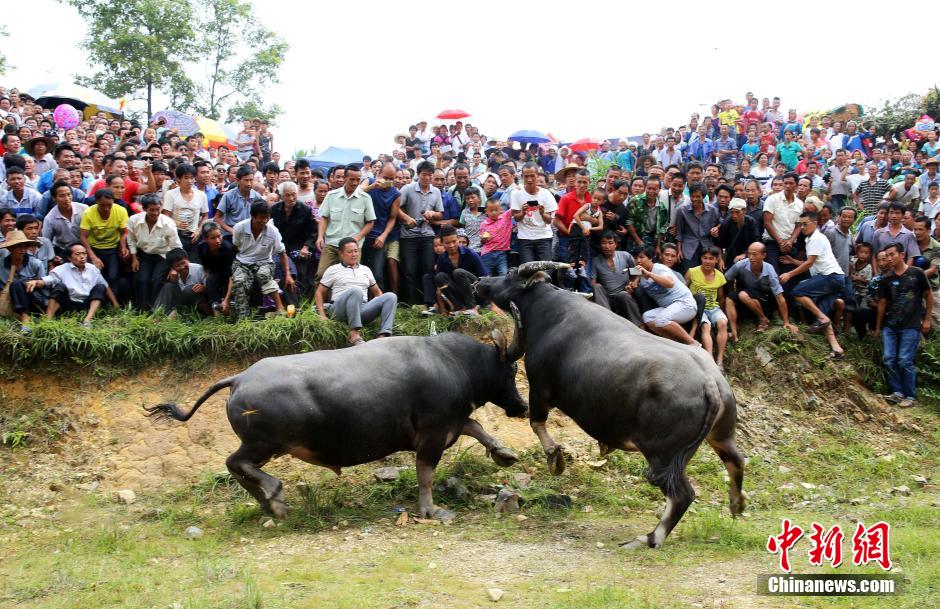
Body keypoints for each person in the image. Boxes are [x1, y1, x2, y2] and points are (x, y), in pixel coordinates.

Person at [876, 242, 933, 409]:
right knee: (888, 359)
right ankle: (897, 392)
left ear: (902, 255)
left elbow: (928, 296)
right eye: (887, 255)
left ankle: (910, 395)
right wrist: (879, 327)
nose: (890, 258)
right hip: (891, 324)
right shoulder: (886, 279)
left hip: (911, 324)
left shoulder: (916, 273)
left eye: (893, 254)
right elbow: (882, 304)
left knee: (904, 360)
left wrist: (927, 319)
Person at [781, 211, 846, 358]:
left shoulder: (816, 238)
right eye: (800, 224)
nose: (802, 227)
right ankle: (837, 349)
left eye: (805, 224)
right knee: (822, 317)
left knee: (797, 292)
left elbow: (809, 263)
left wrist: (789, 274)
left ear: (815, 224)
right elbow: (811, 263)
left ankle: (822, 319)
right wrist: (793, 262)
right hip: (836, 279)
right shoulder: (811, 239)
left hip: (830, 277)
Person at [316, 237, 397, 346]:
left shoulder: (366, 270)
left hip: (362, 310)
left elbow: (378, 293)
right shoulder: (333, 269)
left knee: (391, 296)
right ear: (341, 254)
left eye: (356, 251)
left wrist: (381, 309)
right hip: (339, 310)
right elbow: (319, 292)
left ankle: (384, 334)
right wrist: (322, 315)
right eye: (350, 252)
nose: (354, 254)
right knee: (356, 290)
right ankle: (353, 333)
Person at [24, 242, 119, 326]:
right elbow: (49, 280)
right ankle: (47, 321)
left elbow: (105, 286)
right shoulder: (61, 269)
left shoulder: (93, 269)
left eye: (84, 254)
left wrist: (115, 303)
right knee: (59, 287)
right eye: (78, 254)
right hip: (68, 303)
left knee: (100, 287)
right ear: (69, 257)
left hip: (87, 304)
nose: (82, 257)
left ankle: (87, 321)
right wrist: (36, 282)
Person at [231, 200, 294, 319]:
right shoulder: (239, 227)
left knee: (263, 274)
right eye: (261, 217)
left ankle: (280, 308)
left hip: (264, 262)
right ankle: (243, 318)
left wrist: (288, 274)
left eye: (267, 217)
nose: (264, 220)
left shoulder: (272, 231)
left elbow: (281, 252)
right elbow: (236, 246)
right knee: (239, 281)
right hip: (242, 262)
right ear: (253, 216)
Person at [723, 242, 798, 338]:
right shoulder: (741, 264)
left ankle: (763, 319)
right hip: (747, 296)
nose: (751, 257)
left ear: (764, 255)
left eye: (754, 254)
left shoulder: (769, 270)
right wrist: (730, 292)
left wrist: (786, 322)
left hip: (765, 300)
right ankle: (734, 331)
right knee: (730, 298)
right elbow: (727, 278)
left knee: (743, 294)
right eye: (749, 254)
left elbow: (779, 297)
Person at [631, 246, 698, 345]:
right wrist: (632, 285)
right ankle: (674, 343)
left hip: (685, 304)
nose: (638, 260)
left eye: (641, 257)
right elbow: (634, 279)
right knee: (648, 317)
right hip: (669, 308)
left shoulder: (659, 268)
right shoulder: (640, 273)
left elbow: (670, 283)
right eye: (636, 258)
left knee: (661, 320)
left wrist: (649, 274)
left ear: (650, 258)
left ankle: (692, 343)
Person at [127, 193, 182, 310]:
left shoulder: (168, 223)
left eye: (158, 209)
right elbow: (131, 239)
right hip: (144, 254)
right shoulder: (133, 220)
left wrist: (174, 268)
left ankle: (155, 308)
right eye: (152, 210)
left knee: (156, 280)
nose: (156, 213)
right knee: (142, 280)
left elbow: (176, 247)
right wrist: (134, 258)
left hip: (164, 256)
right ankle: (142, 309)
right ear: (144, 209)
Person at [423, 225, 486, 316]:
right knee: (439, 277)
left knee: (458, 272)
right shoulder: (442, 258)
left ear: (458, 239)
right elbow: (439, 288)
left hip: (475, 292)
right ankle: (459, 307)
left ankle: (472, 308)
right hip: (459, 293)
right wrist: (442, 308)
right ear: (442, 243)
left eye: (454, 241)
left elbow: (484, 278)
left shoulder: (470, 254)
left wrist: (493, 303)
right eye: (447, 243)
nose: (451, 245)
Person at [270, 181, 316, 298]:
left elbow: (313, 232)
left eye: (293, 194)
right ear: (281, 196)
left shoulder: (305, 209)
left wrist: (306, 247)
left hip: (299, 246)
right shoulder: (274, 209)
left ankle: (301, 299)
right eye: (287, 195)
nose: (291, 198)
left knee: (301, 271)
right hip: (279, 246)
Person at [359, 162, 401, 291]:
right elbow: (356, 193)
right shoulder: (368, 181)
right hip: (360, 235)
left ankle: (380, 304)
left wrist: (383, 236)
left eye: (391, 179)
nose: (388, 181)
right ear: (378, 174)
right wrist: (372, 186)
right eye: (385, 177)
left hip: (378, 237)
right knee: (358, 272)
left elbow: (392, 218)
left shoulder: (396, 194)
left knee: (377, 274)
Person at [686, 246, 729, 369]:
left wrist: (723, 312)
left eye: (711, 258)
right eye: (705, 258)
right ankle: (709, 359)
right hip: (698, 308)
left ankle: (720, 360)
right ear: (701, 258)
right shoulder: (692, 271)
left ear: (716, 260)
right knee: (706, 326)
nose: (707, 261)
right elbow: (683, 290)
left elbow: (721, 297)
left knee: (722, 322)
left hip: (713, 307)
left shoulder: (720, 276)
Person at [79, 188, 129, 292]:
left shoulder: (121, 211)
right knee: (94, 276)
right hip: (94, 248)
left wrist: (123, 246)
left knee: (113, 276)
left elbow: (124, 231)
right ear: (96, 202)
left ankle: (113, 303)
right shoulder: (88, 213)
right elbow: (83, 236)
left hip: (112, 248)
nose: (106, 209)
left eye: (109, 205)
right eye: (102, 205)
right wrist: (93, 257)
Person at [591, 231, 642, 326]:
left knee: (623, 295)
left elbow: (637, 272)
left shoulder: (625, 256)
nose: (607, 246)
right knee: (596, 286)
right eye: (604, 243)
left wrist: (633, 283)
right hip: (606, 299)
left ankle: (640, 326)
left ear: (616, 244)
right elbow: (593, 282)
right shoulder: (596, 261)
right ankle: (606, 320)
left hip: (623, 294)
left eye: (610, 243)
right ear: (600, 245)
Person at [0, 230, 47, 331]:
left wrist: (31, 283)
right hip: (10, 302)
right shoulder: (1, 265)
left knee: (17, 284)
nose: (22, 250)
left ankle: (26, 319)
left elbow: (43, 287)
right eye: (18, 247)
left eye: (25, 247)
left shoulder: (36, 264)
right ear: (10, 248)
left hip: (34, 300)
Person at [510, 162, 557, 263]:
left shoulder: (546, 194)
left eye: (532, 176)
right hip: (525, 238)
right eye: (526, 176)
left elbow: (549, 221)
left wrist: (542, 213)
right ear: (522, 177)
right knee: (528, 271)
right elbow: (516, 218)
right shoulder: (516, 193)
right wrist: (522, 212)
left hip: (544, 237)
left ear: (537, 175)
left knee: (546, 270)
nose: (529, 179)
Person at [163, 164, 209, 262]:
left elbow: (205, 215)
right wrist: (176, 223)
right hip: (176, 234)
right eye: (186, 178)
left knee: (194, 264)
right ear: (179, 179)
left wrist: (198, 230)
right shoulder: (170, 194)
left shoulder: (201, 195)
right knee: (178, 263)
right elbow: (165, 216)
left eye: (192, 178)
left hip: (193, 236)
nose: (190, 181)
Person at [762, 172, 803, 275]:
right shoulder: (772, 199)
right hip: (772, 242)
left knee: (788, 276)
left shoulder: (799, 204)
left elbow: (798, 225)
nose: (788, 186)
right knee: (773, 274)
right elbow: (767, 222)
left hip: (790, 245)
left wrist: (790, 241)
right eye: (786, 183)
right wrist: (780, 241)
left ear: (796, 185)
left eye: (791, 183)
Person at [674, 182, 721, 273]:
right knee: (688, 274)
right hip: (688, 249)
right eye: (692, 196)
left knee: (705, 274)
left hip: (707, 247)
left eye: (698, 196)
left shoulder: (713, 210)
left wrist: (717, 228)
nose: (694, 199)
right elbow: (679, 233)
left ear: (703, 197)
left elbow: (721, 223)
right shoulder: (682, 211)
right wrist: (679, 250)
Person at [153, 247, 212, 317]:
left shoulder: (199, 269)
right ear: (172, 267)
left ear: (188, 259)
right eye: (177, 265)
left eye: (183, 263)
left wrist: (204, 288)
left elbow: (212, 289)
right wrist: (174, 282)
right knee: (168, 286)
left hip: (201, 303)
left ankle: (211, 315)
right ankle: (157, 315)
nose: (182, 267)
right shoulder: (173, 275)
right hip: (185, 305)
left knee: (189, 290)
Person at [196, 221, 236, 314]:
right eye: (213, 238)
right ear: (205, 239)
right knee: (210, 279)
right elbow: (206, 269)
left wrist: (226, 299)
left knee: (228, 299)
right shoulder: (201, 248)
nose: (218, 240)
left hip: (230, 276)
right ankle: (215, 309)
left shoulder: (228, 249)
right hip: (215, 274)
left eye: (219, 236)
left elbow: (232, 277)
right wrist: (204, 284)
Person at [214, 165, 264, 238]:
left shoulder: (257, 196)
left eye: (251, 180)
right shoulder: (229, 196)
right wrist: (232, 231)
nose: (249, 183)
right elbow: (217, 218)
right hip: (230, 235)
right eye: (246, 180)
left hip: (249, 235)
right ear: (238, 180)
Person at [912, 215, 940, 326]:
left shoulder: (937, 247)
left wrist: (912, 277)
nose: (917, 232)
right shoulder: (911, 242)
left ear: (928, 230)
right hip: (913, 287)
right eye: (915, 229)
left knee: (936, 323)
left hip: (931, 286)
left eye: (920, 229)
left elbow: (933, 270)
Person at [479, 197, 512, 277]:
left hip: (501, 253)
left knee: (504, 274)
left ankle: (502, 289)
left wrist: (518, 189)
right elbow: (482, 242)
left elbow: (514, 208)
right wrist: (484, 240)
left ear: (500, 209)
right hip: (487, 253)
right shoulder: (483, 224)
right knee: (486, 276)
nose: (494, 212)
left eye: (496, 210)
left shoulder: (505, 217)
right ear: (486, 211)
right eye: (491, 210)